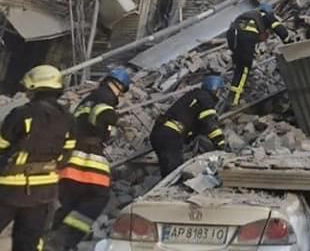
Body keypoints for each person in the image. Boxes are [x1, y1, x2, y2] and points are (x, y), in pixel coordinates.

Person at [47, 68, 131, 251]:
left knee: (71, 202)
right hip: (88, 159)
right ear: (119, 86)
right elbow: (101, 115)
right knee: (97, 198)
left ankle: (51, 238)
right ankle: (63, 240)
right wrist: (114, 124)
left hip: (69, 161)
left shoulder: (87, 100)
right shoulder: (107, 97)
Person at [0, 65, 75, 251]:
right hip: (44, 191)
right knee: (29, 242)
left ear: (34, 87)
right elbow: (67, 154)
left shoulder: (22, 114)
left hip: (11, 188)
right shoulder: (68, 118)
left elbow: (1, 145)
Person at [149, 75, 226, 176]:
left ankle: (166, 188)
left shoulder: (194, 96)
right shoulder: (206, 98)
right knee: (173, 171)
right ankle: (171, 191)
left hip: (160, 133)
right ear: (216, 89)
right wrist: (220, 142)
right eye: (220, 91)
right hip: (170, 135)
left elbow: (195, 125)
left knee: (167, 169)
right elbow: (208, 123)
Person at [226, 3, 288, 106]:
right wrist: (287, 39)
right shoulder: (266, 15)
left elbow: (254, 35)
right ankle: (233, 101)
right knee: (244, 67)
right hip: (244, 36)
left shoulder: (249, 16)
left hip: (232, 36)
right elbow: (277, 26)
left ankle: (233, 96)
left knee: (239, 66)